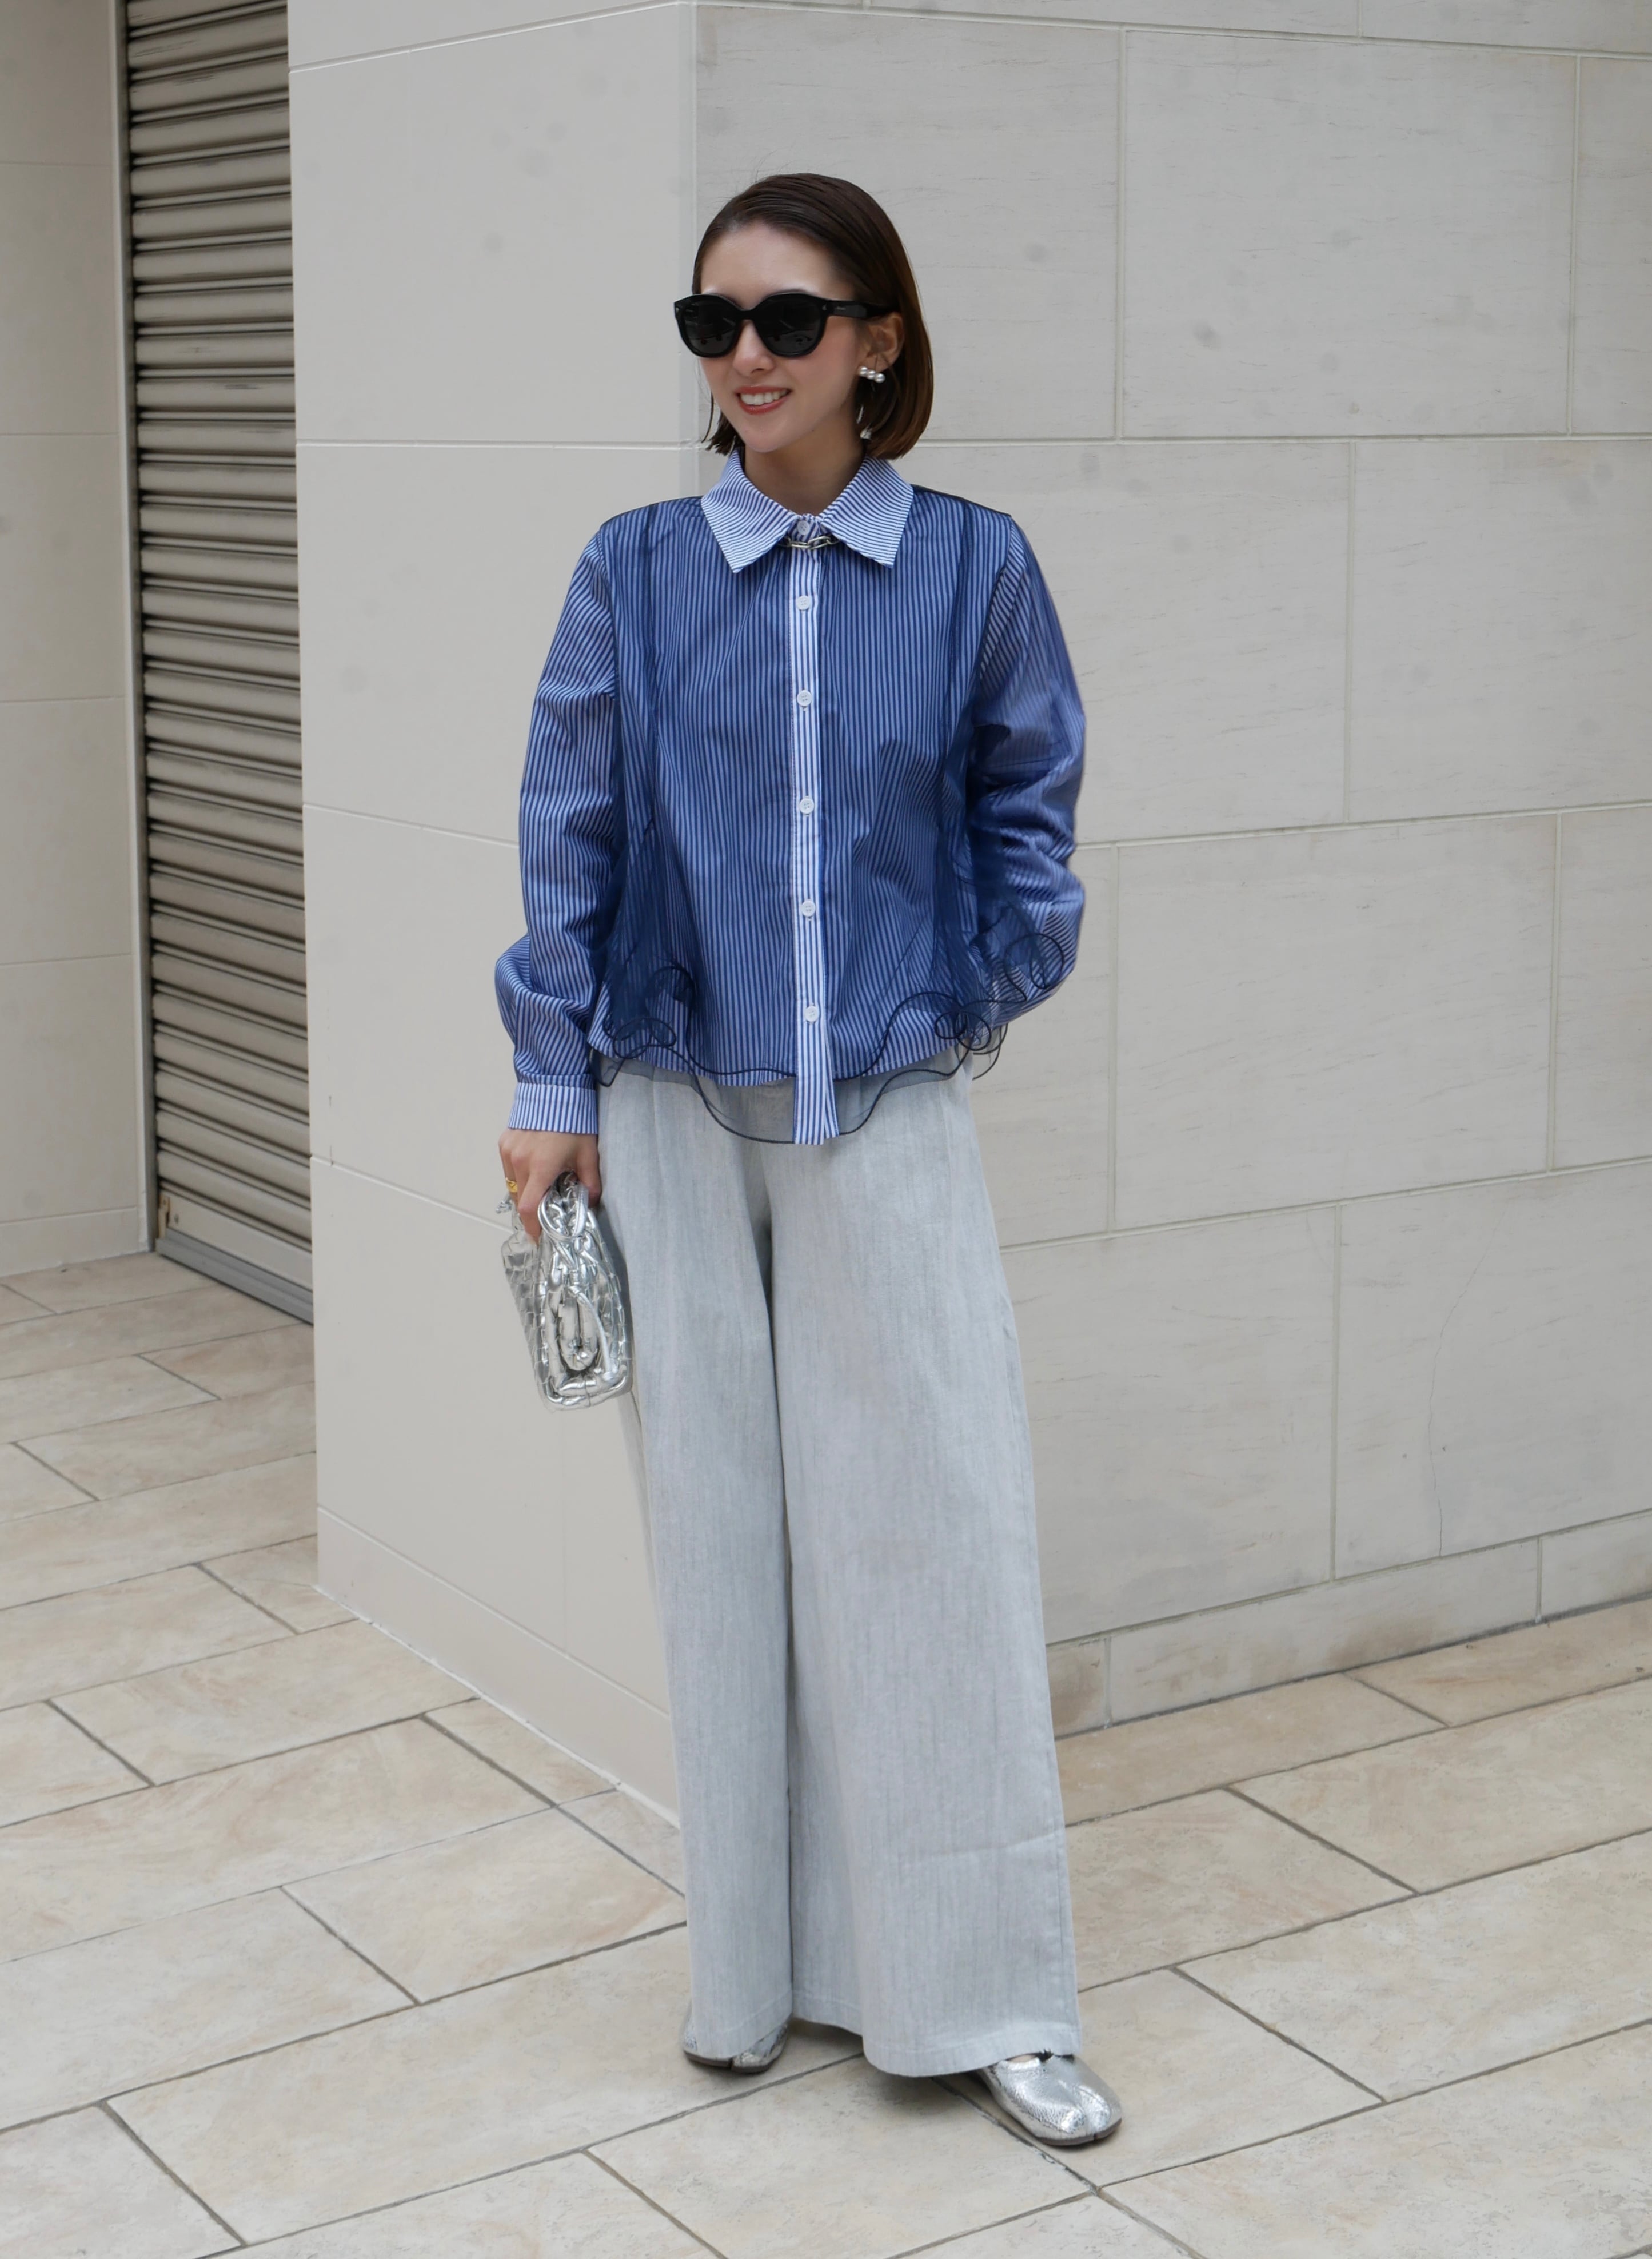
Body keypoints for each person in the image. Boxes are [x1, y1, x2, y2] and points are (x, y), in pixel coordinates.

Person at [496, 173, 1120, 2146]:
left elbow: (1029, 812)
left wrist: (961, 991)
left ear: (877, 341)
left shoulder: (973, 566)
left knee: (933, 1537)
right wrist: (547, 1082)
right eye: (713, 325)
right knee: (721, 1549)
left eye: (784, 320)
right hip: (670, 1111)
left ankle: (985, 1993)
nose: (745, 358)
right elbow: (571, 834)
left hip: (884, 1115)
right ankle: (756, 1975)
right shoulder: (633, 568)